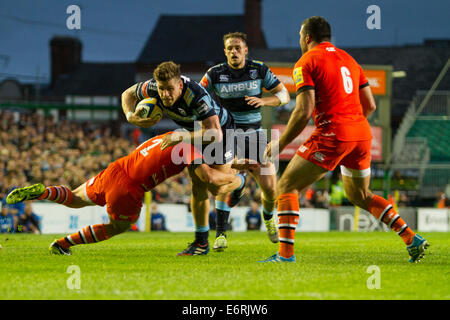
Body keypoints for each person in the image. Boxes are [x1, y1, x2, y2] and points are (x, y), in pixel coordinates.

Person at [261, 16, 429, 263]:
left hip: (333, 134)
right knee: (361, 195)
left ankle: (285, 256)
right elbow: (370, 105)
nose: (299, 40)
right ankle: (410, 238)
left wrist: (281, 143)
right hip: (361, 135)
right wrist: (351, 125)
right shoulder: (350, 60)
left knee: (287, 186)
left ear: (307, 38)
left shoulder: (306, 61)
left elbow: (303, 111)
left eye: (300, 36)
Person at [6, 132, 242, 255]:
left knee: (75, 199)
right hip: (128, 188)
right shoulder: (190, 149)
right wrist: (238, 176)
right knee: (117, 226)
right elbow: (211, 180)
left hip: (115, 169)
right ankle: (61, 244)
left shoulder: (169, 135)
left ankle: (43, 191)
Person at [122, 61, 243, 256]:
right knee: (198, 183)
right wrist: (130, 116)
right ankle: (201, 242)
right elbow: (127, 94)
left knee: (216, 186)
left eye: (170, 89)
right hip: (193, 132)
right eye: (162, 89)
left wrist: (179, 137)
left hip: (221, 131)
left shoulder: (196, 96)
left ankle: (239, 181)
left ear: (180, 85)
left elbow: (215, 134)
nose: (165, 94)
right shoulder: (153, 88)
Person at [200, 32, 290, 250]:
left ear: (246, 50)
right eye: (230, 48)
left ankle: (268, 218)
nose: (234, 51)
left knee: (270, 190)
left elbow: (285, 95)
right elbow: (198, 95)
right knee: (224, 182)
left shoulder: (259, 70)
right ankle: (221, 234)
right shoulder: (215, 73)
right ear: (225, 52)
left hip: (255, 137)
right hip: (227, 136)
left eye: (238, 47)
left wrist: (264, 100)